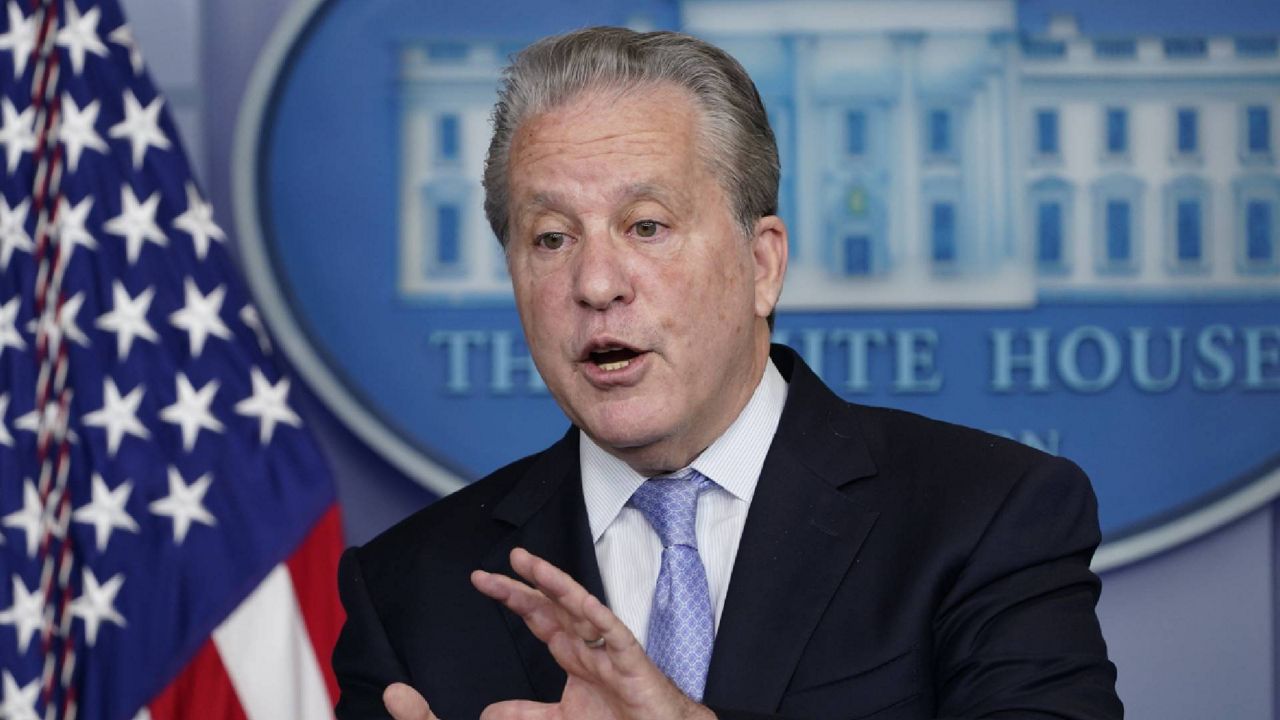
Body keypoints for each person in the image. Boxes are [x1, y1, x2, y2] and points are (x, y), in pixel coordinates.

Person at [332, 27, 1122, 720]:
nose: (595, 283)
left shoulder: (987, 517)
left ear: (761, 265)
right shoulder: (409, 588)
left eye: (647, 226)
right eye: (550, 239)